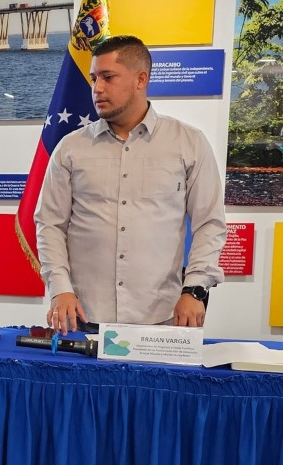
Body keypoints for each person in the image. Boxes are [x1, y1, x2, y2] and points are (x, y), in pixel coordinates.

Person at [35, 35, 226, 335]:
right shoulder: (70, 148)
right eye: (94, 78)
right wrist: (60, 288)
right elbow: (49, 224)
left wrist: (195, 289)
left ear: (141, 79)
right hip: (83, 317)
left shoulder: (189, 143)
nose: (97, 88)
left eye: (108, 77)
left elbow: (209, 224)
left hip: (161, 319)